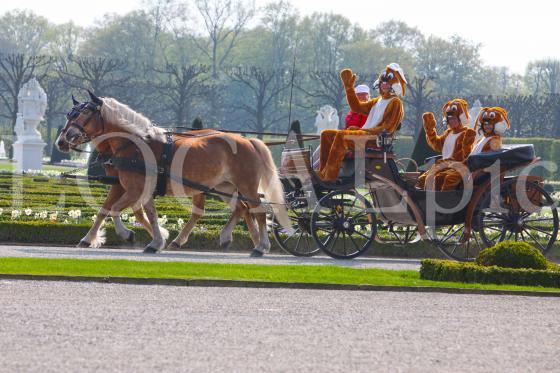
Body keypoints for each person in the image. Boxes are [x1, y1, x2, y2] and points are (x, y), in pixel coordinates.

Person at [317, 63, 406, 181]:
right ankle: (322, 171)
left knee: (342, 136)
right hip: (366, 136)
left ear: (394, 85)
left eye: (388, 82)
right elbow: (356, 107)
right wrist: (349, 88)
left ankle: (330, 176)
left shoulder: (395, 102)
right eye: (382, 81)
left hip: (375, 140)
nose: (384, 84)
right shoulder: (377, 101)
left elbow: (387, 128)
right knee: (326, 134)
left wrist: (362, 130)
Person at [416, 99, 476, 191]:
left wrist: (467, 145)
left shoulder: (466, 133)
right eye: (450, 119)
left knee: (440, 178)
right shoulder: (448, 133)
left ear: (461, 118)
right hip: (444, 164)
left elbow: (466, 156)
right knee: (422, 179)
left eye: (454, 118)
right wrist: (430, 129)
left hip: (458, 165)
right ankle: (420, 201)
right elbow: (437, 145)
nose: (452, 121)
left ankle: (442, 202)